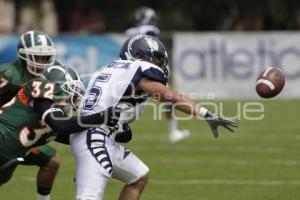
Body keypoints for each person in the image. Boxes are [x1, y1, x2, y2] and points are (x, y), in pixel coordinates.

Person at [70, 35, 238, 200]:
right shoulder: (138, 68)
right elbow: (172, 97)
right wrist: (206, 114)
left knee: (138, 176)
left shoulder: (105, 69)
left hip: (94, 134)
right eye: (155, 59)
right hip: (95, 138)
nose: (157, 64)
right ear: (137, 55)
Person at [0, 65, 119, 199]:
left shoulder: (50, 118)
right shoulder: (40, 93)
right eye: (70, 92)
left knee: (51, 160)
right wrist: (102, 117)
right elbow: (62, 126)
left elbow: (79, 137)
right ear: (53, 86)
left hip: (8, 155)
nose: (72, 99)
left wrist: (116, 131)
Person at [0, 30, 61, 200]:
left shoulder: (48, 77)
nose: (40, 62)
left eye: (44, 57)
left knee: (52, 160)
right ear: (23, 55)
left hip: (22, 137)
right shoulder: (8, 74)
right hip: (5, 134)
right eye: (35, 56)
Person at [125, 6, 190, 143]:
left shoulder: (129, 32)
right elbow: (155, 49)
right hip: (150, 69)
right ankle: (173, 132)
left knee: (131, 102)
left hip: (131, 70)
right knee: (168, 97)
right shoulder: (151, 30)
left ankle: (114, 126)